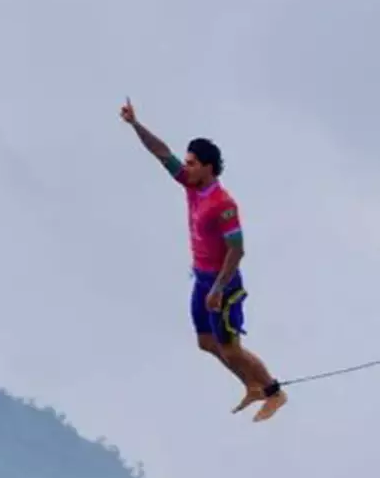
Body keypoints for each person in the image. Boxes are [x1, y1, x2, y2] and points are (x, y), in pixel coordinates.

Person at [120, 97, 287, 423]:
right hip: (202, 277)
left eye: (193, 163)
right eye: (187, 162)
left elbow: (237, 250)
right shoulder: (190, 185)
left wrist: (218, 288)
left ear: (208, 167)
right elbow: (161, 152)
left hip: (222, 283)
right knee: (206, 342)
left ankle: (273, 391)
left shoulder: (223, 204)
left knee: (231, 348)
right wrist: (135, 124)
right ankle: (250, 385)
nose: (187, 167)